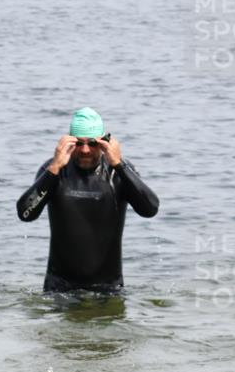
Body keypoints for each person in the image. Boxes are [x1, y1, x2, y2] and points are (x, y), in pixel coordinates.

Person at [16, 107, 159, 292]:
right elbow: (25, 214)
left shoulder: (118, 172)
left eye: (92, 143)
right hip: (59, 288)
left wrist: (119, 164)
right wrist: (54, 168)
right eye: (78, 143)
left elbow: (150, 209)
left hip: (108, 288)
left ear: (103, 143)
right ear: (69, 142)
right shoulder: (53, 170)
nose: (85, 150)